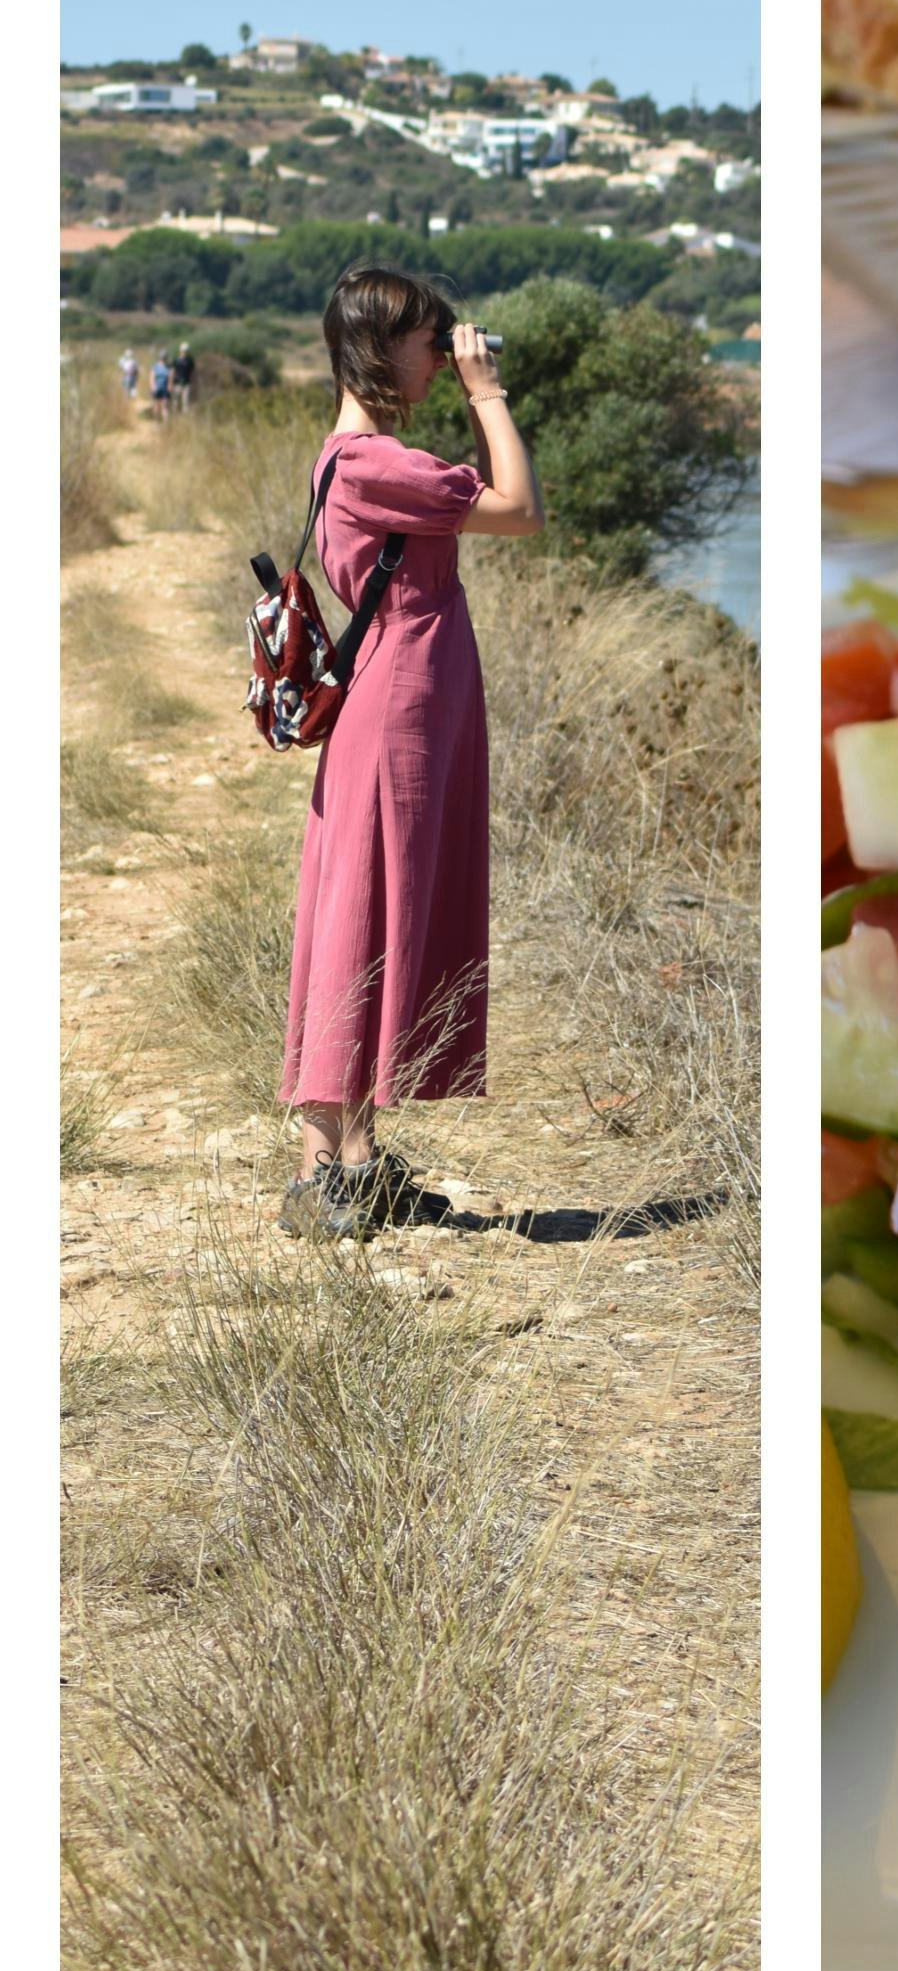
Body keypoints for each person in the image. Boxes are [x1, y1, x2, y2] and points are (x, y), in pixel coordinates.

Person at [277, 267, 544, 1242]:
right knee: (361, 919)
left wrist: (472, 400)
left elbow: (491, 503)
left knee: (371, 917)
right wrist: (488, 394)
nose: (442, 355)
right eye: (429, 341)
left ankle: (351, 1165)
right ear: (380, 348)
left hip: (408, 703)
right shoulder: (375, 463)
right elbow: (520, 506)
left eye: (446, 342)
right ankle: (326, 1171)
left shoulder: (357, 457)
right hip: (399, 711)